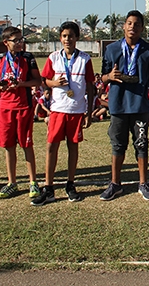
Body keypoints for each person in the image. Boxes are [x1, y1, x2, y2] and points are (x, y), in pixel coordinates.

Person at [32, 21, 95, 206]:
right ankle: (49, 187)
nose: (68, 39)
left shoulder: (85, 59)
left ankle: (70, 184)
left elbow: (90, 87)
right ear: (61, 38)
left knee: (73, 147)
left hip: (76, 110)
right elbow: (44, 81)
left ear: (77, 38)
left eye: (71, 36)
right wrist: (54, 83)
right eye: (64, 36)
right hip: (58, 109)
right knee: (52, 146)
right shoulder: (53, 58)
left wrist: (89, 112)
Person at [100, 11, 149, 201]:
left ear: (142, 28)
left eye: (137, 24)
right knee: (118, 145)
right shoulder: (112, 49)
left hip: (140, 106)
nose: (133, 27)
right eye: (129, 23)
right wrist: (109, 77)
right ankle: (115, 184)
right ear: (124, 26)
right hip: (118, 106)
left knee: (141, 145)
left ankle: (143, 183)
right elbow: (102, 77)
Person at [0, 26, 42, 199]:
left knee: (26, 145)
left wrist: (21, 84)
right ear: (6, 43)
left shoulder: (28, 58)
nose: (20, 43)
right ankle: (12, 182)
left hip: (23, 106)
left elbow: (37, 80)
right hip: (5, 107)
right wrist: (2, 86)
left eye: (21, 40)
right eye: (16, 40)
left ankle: (33, 182)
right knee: (8, 146)